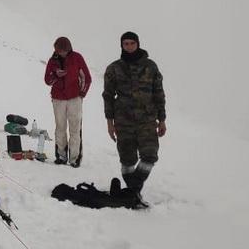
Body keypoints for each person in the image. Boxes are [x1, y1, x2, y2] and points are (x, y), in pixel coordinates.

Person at [103, 31, 167, 198]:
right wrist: (110, 122)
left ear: (138, 44)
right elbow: (108, 96)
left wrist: (162, 120)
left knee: (150, 156)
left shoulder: (151, 67)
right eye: (126, 44)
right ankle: (133, 194)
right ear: (122, 46)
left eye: (132, 43)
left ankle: (132, 190)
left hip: (147, 120)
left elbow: (159, 94)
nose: (129, 47)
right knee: (127, 160)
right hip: (123, 121)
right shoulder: (114, 68)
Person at [43, 36, 91, 167]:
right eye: (60, 50)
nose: (62, 52)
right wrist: (55, 75)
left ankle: (75, 159)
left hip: (74, 98)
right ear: (56, 49)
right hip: (58, 99)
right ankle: (61, 156)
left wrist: (81, 94)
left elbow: (87, 77)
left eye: (65, 50)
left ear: (69, 48)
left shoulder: (77, 58)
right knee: (60, 127)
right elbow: (47, 80)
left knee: (75, 129)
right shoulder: (52, 61)